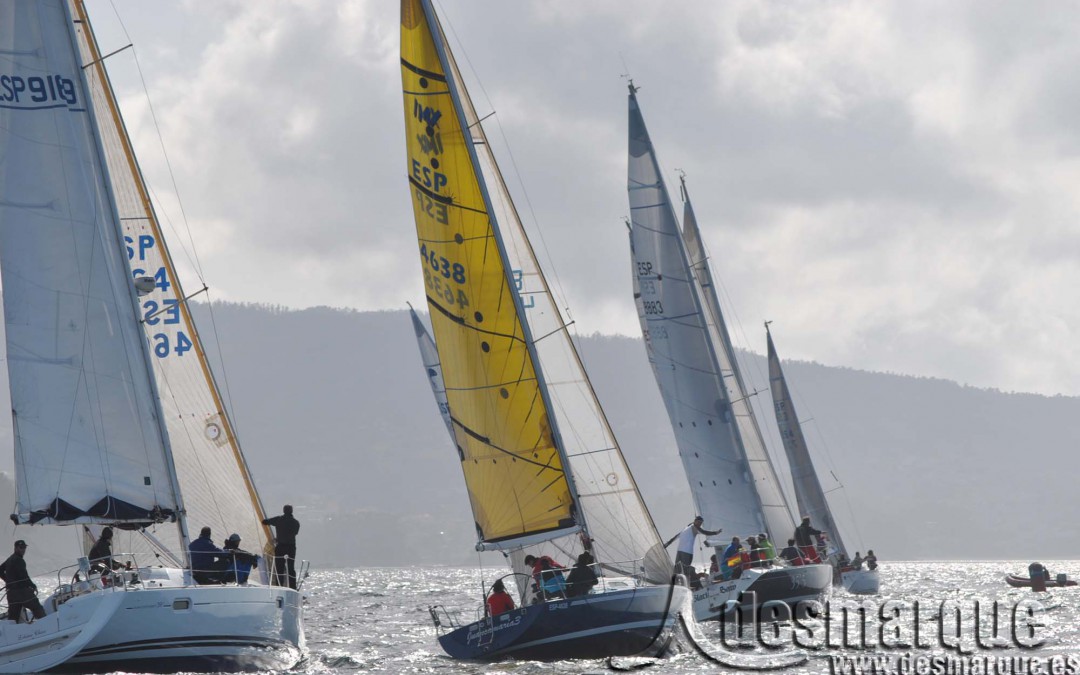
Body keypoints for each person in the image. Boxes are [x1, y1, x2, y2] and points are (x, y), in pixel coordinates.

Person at [0, 541, 45, 623]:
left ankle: (12, 633)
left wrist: (8, 581)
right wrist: (33, 585)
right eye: (21, 547)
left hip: (11, 593)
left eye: (24, 547)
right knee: (37, 608)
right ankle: (46, 626)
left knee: (13, 618)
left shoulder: (10, 559)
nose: (23, 550)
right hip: (22, 592)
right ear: (15, 548)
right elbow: (24, 577)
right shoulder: (19, 560)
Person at [263, 505, 300, 589]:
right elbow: (295, 533)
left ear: (283, 511)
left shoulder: (278, 520)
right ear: (292, 511)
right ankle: (293, 587)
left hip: (280, 547)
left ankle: (279, 586)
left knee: (279, 568)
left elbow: (265, 522)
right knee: (291, 568)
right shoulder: (296, 523)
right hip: (291, 548)